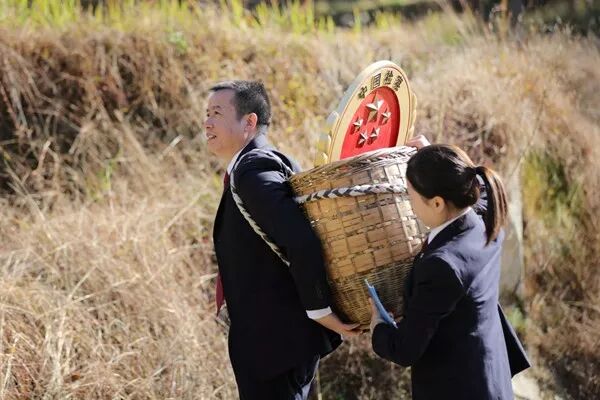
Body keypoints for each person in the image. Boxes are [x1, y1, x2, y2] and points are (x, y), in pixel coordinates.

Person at [206, 80, 359, 400]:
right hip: (278, 345)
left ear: (249, 122)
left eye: (217, 113)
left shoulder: (253, 169)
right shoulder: (258, 163)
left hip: (275, 349)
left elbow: (300, 239)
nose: (207, 123)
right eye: (207, 114)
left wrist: (320, 310)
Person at [369, 136, 530, 399]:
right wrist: (433, 156)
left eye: (411, 195)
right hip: (490, 377)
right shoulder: (485, 221)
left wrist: (378, 327)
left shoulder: (442, 265)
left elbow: (404, 350)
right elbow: (477, 185)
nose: (409, 204)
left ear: (437, 203)